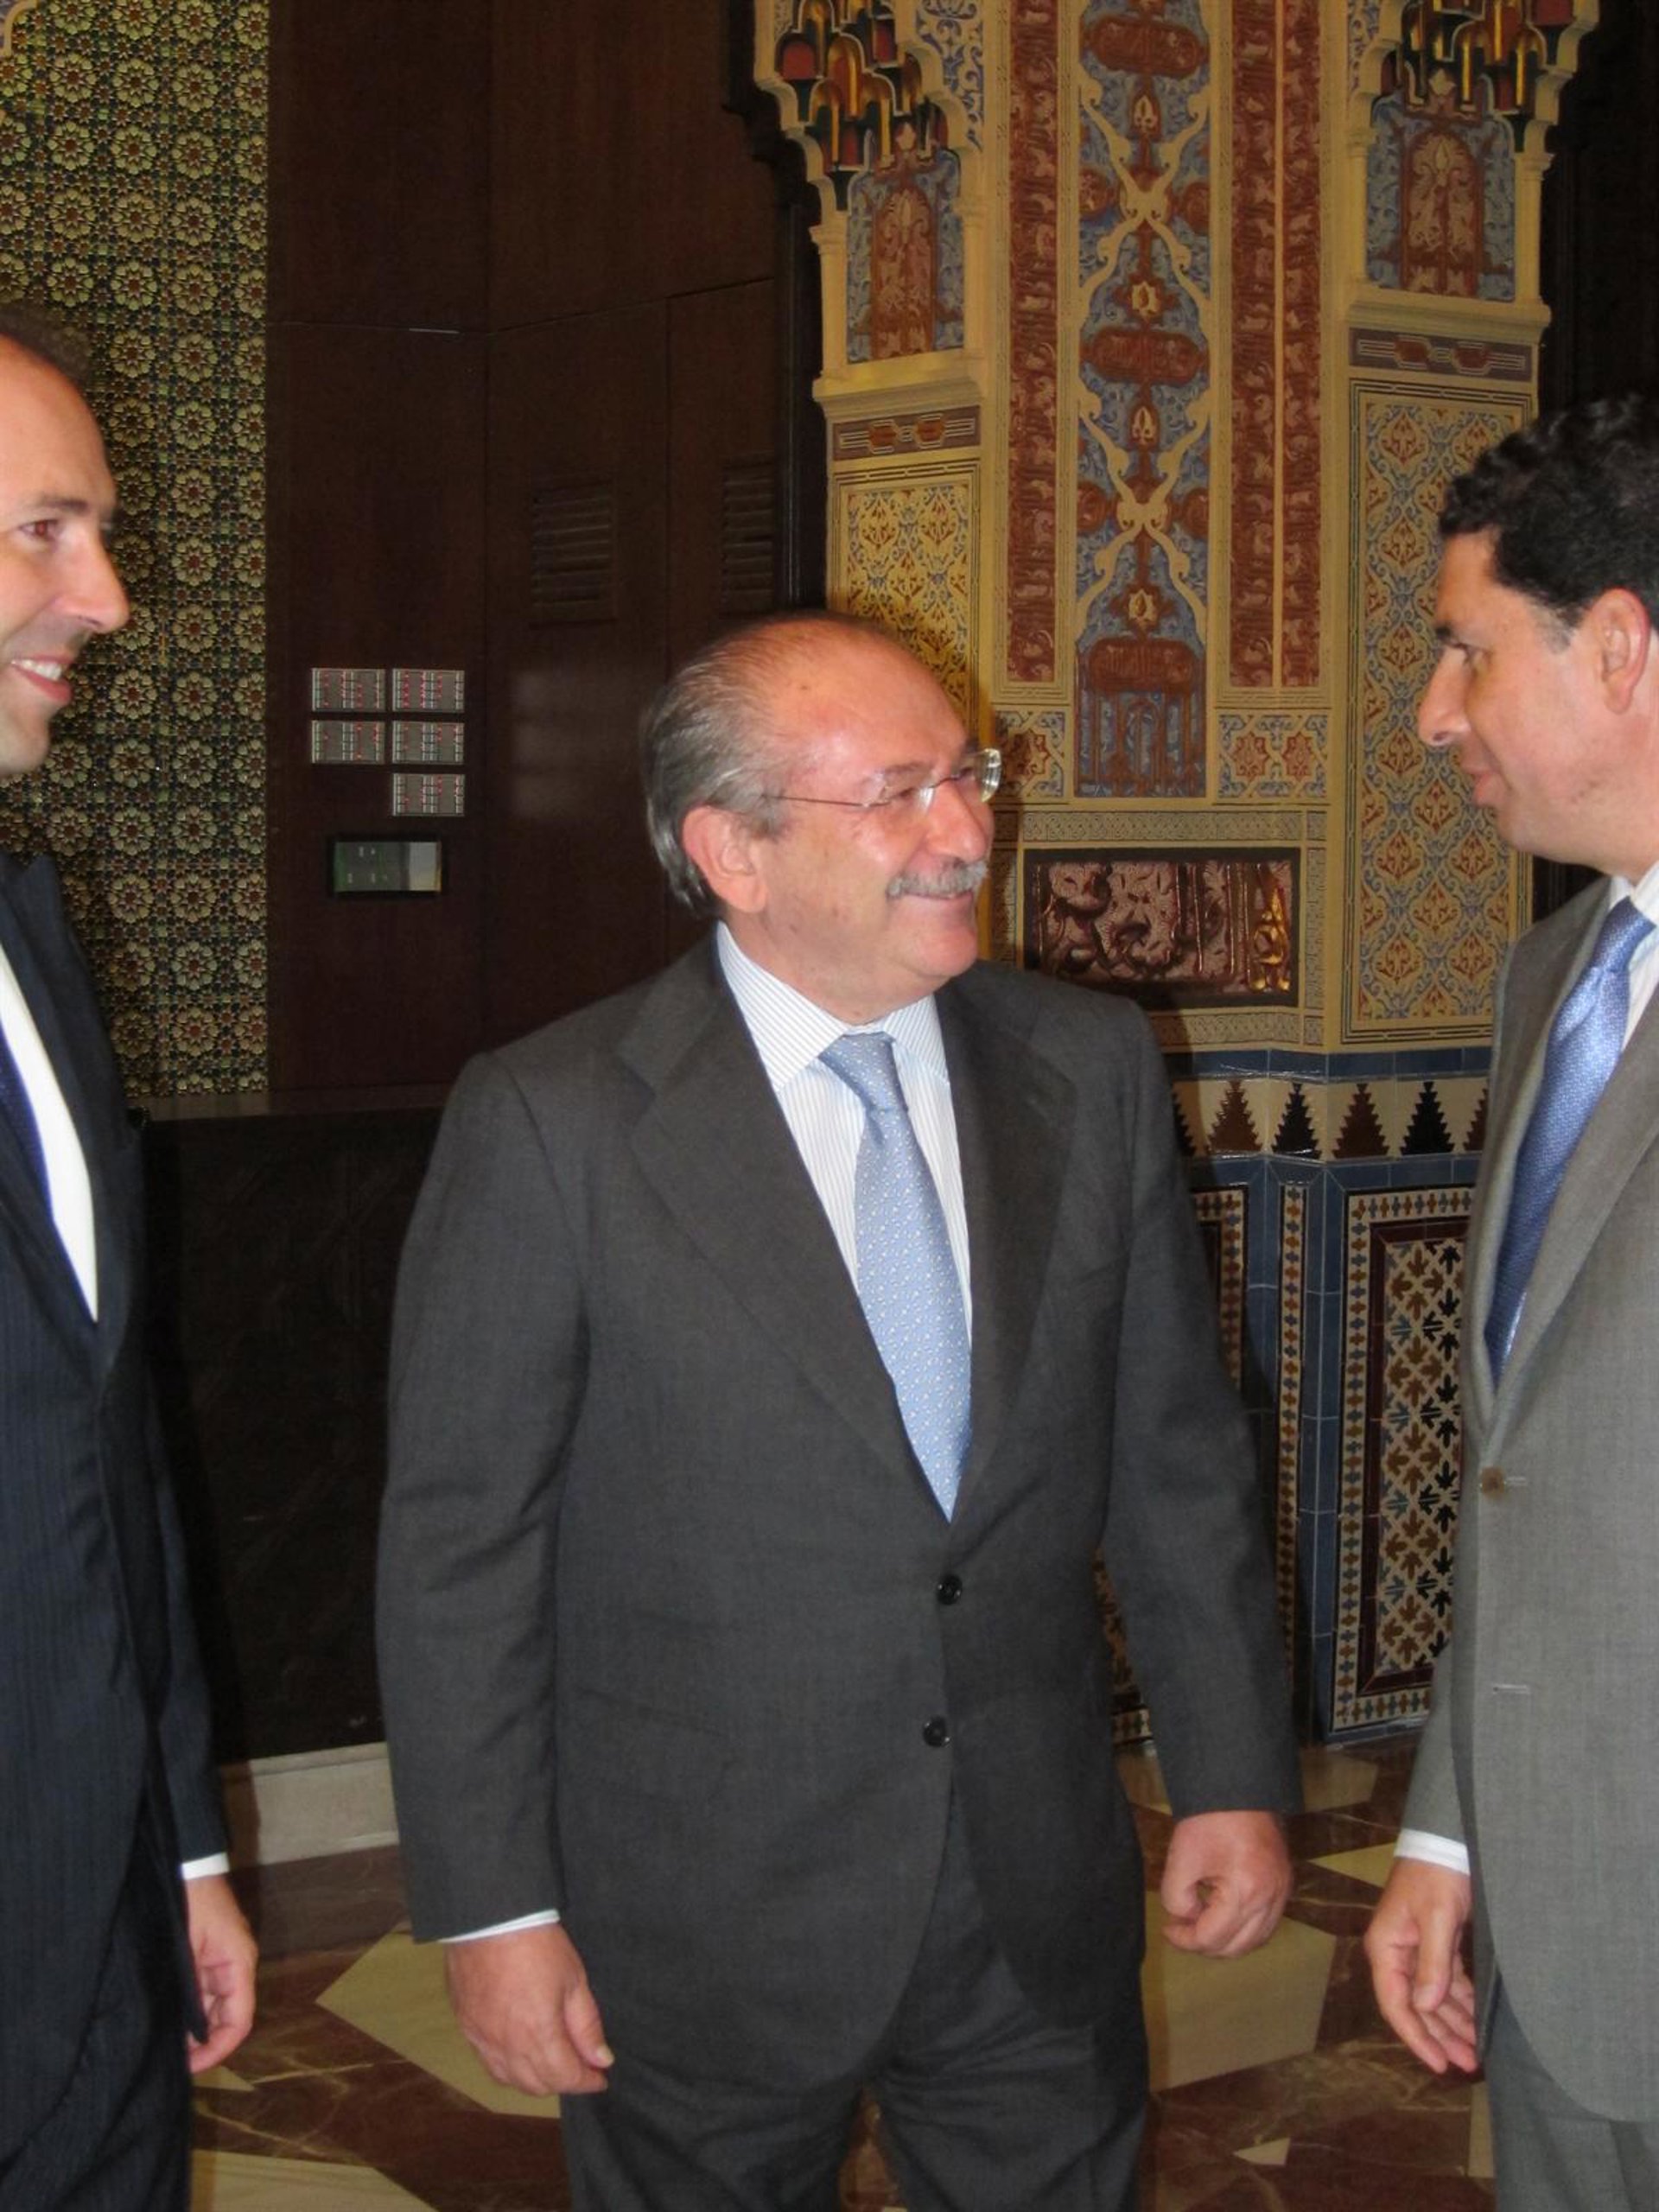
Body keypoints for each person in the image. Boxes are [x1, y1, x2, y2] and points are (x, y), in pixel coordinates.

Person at [378, 610, 1299, 2211]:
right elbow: (462, 1550)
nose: (966, 834)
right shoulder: (554, 1122)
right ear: (731, 850)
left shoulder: (1084, 1065)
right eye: (896, 795)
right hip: (700, 1921)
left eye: (968, 776)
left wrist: (1228, 1771)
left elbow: (1173, 1461)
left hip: (1029, 1893)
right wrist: (493, 1909)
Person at [1365, 392, 1659, 2209]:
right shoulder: (1556, 972)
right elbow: (1523, 1463)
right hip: (1561, 1922)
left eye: (1468, 651)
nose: (1432, 711)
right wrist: (1453, 1826)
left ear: (1617, 646)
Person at [0, 312, 255, 2210]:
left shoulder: (32, 919)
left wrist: (180, 1847)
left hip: (88, 1939)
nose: (106, 597)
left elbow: (105, 1441)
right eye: (47, 531)